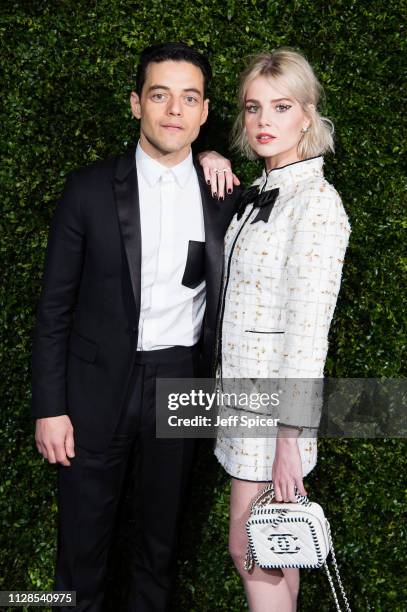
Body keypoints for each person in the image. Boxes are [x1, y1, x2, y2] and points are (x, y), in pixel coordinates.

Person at [31, 42, 241, 612]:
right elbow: (54, 309)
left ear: (202, 112)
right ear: (135, 104)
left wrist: (216, 158)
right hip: (95, 390)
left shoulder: (224, 196)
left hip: (183, 384)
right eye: (159, 95)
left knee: (159, 545)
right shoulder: (88, 189)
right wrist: (49, 407)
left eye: (188, 98)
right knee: (81, 550)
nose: (174, 110)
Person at [199, 48, 351, 611]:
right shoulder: (262, 192)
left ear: (307, 115)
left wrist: (291, 438)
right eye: (253, 108)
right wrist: (208, 154)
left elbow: (310, 335)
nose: (265, 122)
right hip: (243, 402)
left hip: (273, 414)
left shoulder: (315, 203)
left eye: (281, 107)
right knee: (274, 549)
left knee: (252, 548)